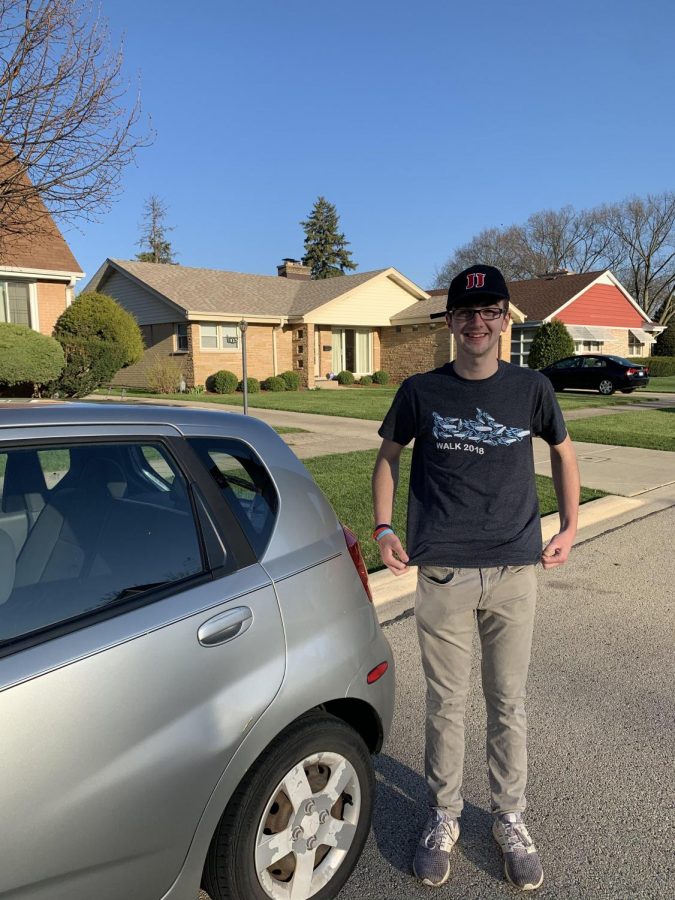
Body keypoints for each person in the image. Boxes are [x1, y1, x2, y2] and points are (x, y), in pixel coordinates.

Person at [372, 264, 579, 891]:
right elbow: (387, 457)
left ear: (506, 319)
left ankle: (509, 816)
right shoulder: (419, 391)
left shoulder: (533, 388)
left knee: (508, 702)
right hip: (441, 571)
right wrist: (384, 528)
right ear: (451, 323)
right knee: (446, 703)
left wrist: (569, 525)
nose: (479, 322)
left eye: (491, 311)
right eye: (467, 313)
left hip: (516, 567)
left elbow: (563, 452)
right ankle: (445, 813)